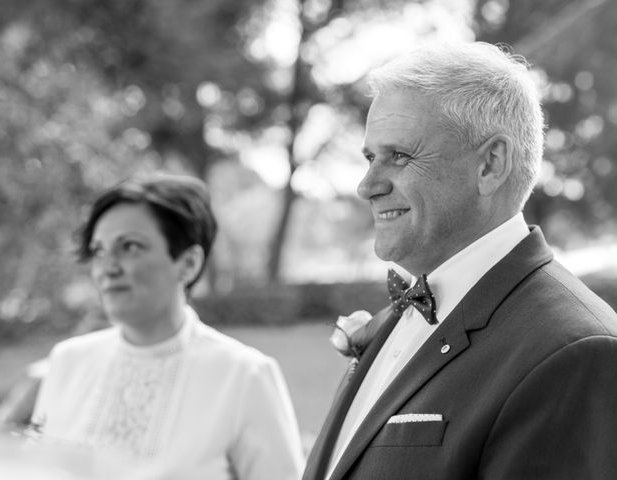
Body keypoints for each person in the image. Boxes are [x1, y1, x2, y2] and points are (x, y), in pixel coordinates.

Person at [303, 41, 617, 480]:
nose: (367, 185)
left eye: (399, 156)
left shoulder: (576, 350)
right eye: (371, 158)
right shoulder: (402, 315)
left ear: (490, 164)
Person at [31, 173, 305, 480]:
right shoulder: (68, 362)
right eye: (98, 250)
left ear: (188, 263)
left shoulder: (243, 375)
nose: (108, 268)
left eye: (130, 246)